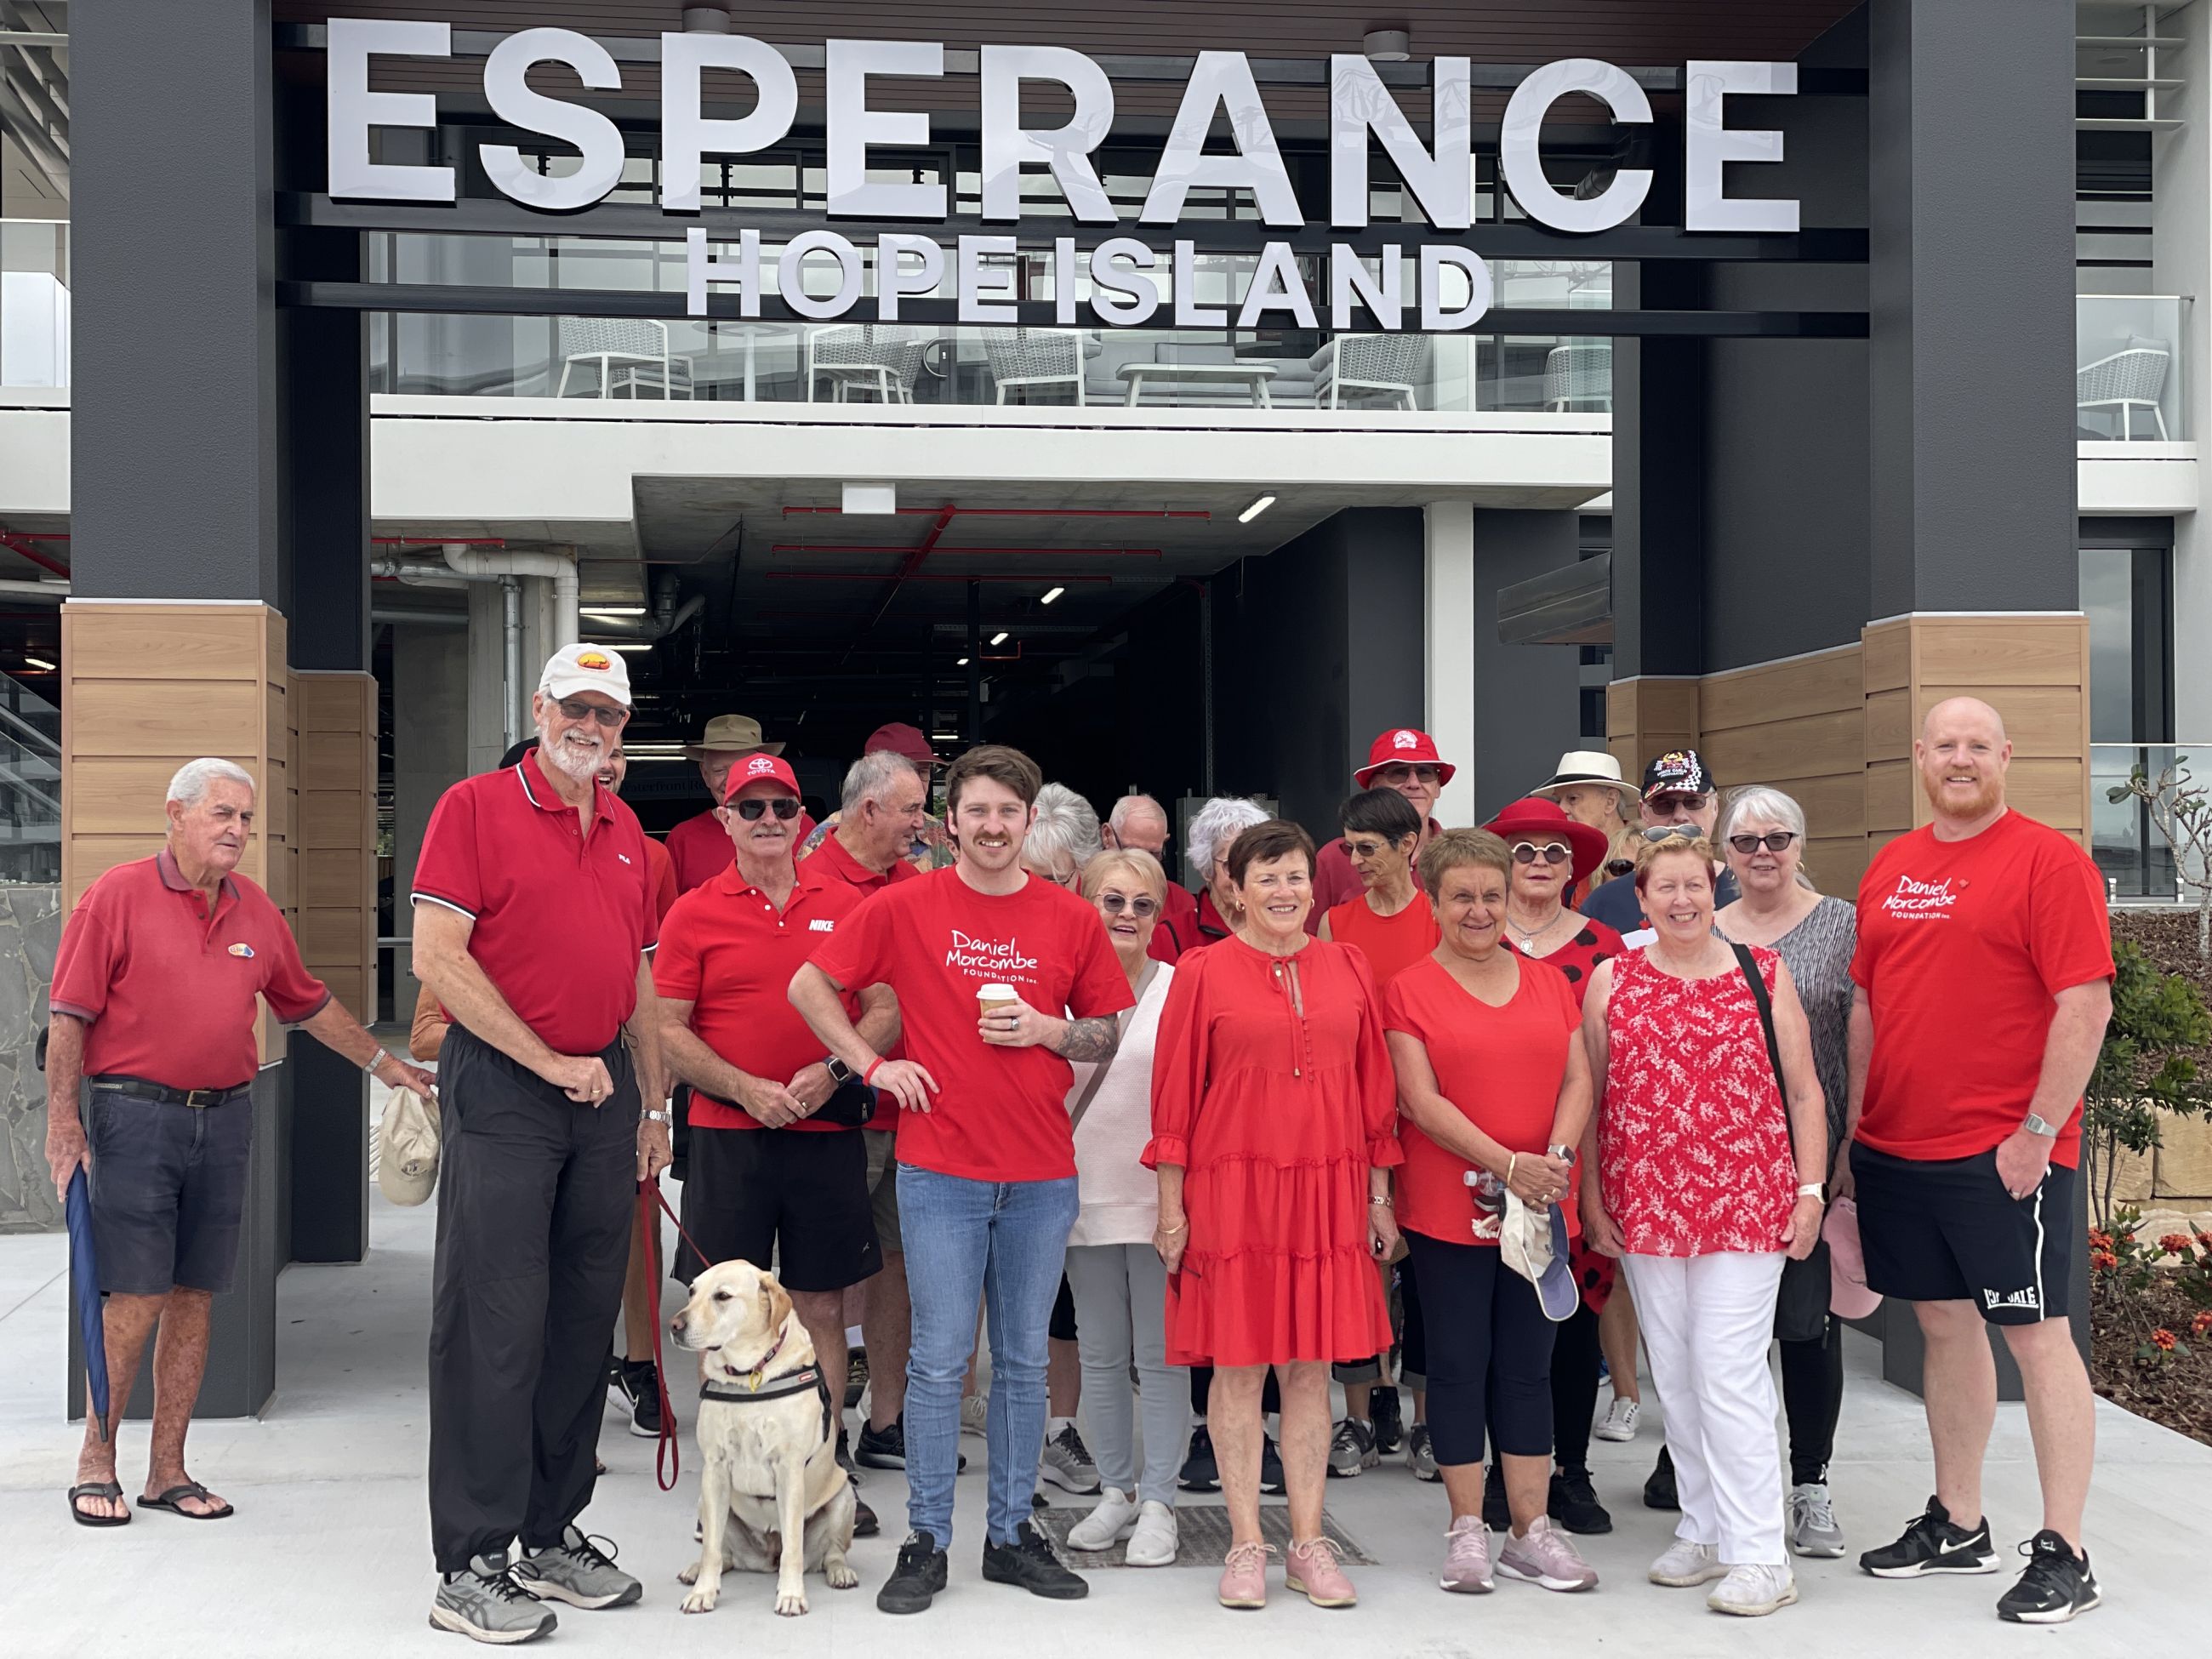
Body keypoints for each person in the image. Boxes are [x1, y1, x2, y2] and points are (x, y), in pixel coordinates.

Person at [47, 758, 435, 1528]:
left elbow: (307, 1003)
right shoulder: (117, 896)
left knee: (195, 1295)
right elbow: (69, 1016)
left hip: (225, 1117)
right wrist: (64, 1123)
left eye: (246, 818)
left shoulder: (253, 909)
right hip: (133, 1116)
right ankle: (98, 1455)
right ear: (176, 814)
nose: (238, 831)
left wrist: (386, 1064)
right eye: (223, 814)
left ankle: (168, 1470)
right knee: (137, 1293)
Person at [791, 744, 1133, 1614]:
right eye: (975, 811)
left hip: (1038, 1174)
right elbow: (809, 985)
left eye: (1006, 813)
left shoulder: (1069, 917)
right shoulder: (906, 905)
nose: (990, 827)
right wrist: (870, 1064)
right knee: (941, 1364)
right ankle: (928, 1538)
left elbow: (1106, 1031)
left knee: (1020, 1364)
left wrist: (1049, 1032)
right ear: (950, 821)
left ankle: (1013, 1532)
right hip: (938, 1170)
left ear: (1028, 822)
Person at [410, 644, 669, 1643]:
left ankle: (551, 1531)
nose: (590, 728)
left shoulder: (623, 827)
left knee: (578, 1321)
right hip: (511, 1088)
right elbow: (439, 957)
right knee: (493, 1323)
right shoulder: (472, 808)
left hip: (603, 1093)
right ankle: (469, 1561)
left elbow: (637, 979)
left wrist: (651, 1104)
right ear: (539, 706)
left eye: (608, 715)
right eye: (576, 708)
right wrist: (548, 1059)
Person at [1844, 697, 2113, 1625]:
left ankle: (2066, 1550)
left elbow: (2084, 1006)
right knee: (1943, 1328)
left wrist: (2037, 1130)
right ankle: (1957, 1522)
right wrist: (1853, 1129)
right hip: (1893, 1146)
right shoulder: (1892, 863)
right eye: (1942, 746)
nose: (1958, 760)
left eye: (1975, 746)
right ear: (1919, 757)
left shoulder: (2048, 861)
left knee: (2037, 1341)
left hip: (2003, 1151)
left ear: (2004, 755)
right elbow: (1868, 1008)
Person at [1147, 820, 1401, 1611]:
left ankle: (1308, 1542)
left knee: (1311, 1369)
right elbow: (1175, 1097)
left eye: (1296, 876)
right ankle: (1247, 1543)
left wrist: (1379, 1197)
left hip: (1328, 1190)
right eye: (1267, 878)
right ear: (1236, 889)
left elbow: (1373, 1090)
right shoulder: (1200, 971)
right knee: (1237, 1367)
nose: (1285, 891)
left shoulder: (1349, 964)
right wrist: (1170, 1209)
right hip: (1232, 1193)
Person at [1581, 835, 1829, 1620]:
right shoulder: (1611, 979)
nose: (1681, 901)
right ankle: (1703, 1523)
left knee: (1728, 1369)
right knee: (1678, 1372)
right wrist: (1592, 1199)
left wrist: (1812, 1191)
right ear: (1643, 899)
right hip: (1647, 1204)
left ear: (1712, 889)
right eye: (1666, 890)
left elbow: (1804, 1093)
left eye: (1694, 886)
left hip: (1747, 1202)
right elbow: (1589, 1097)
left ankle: (1760, 1552)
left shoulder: (1763, 972)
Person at [653, 749, 893, 1538]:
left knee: (822, 1302)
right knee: (717, 1314)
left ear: (802, 820)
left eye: (781, 808)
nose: (766, 822)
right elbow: (664, 1027)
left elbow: (885, 1008)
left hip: (825, 1131)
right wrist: (741, 1087)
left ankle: (819, 1466)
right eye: (748, 807)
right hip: (728, 1135)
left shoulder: (849, 900)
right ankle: (726, 1479)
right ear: (723, 818)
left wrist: (833, 1070)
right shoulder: (692, 910)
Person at [1385, 829, 1599, 1596]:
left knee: (1528, 1369)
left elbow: (1579, 1078)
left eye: (1492, 896)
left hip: (1542, 1205)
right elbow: (1420, 1100)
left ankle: (1530, 1531)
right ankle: (1467, 1528)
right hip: (1450, 1212)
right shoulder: (1408, 989)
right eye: (1462, 897)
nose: (1479, 911)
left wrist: (1555, 1163)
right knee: (1456, 1365)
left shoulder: (1548, 982)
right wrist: (1508, 1165)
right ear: (1436, 903)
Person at [1713, 785, 1860, 1559]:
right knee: (1720, 1327)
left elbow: (1865, 1034)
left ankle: (1810, 1483)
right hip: (1721, 1161)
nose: (1762, 853)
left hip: (1811, 1154)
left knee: (1807, 1326)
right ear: (1725, 855)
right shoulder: (1700, 926)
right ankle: (1702, 1468)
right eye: (1745, 842)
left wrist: (1847, 1145)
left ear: (1802, 844)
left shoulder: (1841, 925)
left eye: (1778, 838)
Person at [1480, 795, 1626, 1536]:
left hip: (1579, 1162)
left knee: (1570, 1325)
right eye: (1525, 851)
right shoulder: (1472, 934)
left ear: (1575, 867)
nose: (1538, 864)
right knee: (1491, 1327)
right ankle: (1501, 1478)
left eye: (1554, 853)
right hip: (1480, 1168)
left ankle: (1570, 1471)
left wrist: (1590, 1185)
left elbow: (1610, 1075)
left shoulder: (1606, 947)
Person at [807, 749, 934, 1479]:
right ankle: (823, 1437)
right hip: (843, 1108)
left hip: (909, 1111)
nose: (923, 822)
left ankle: (888, 1421)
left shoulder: (911, 879)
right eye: (913, 808)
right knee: (823, 1277)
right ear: (869, 810)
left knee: (896, 1268)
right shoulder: (813, 881)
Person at [1061, 847, 1188, 1567]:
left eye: (1143, 904)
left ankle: (1162, 1502)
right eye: (1113, 901)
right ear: (1086, 902)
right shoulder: (1063, 988)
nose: (1128, 916)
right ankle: (1115, 1493)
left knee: (1164, 1356)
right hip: (1079, 1192)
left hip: (1159, 1196)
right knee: (1103, 1353)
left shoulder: (1182, 988)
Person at [1318, 787, 1438, 1478]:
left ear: (1409, 846)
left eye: (1369, 849)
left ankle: (1426, 1422)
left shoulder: (1439, 917)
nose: (1357, 861)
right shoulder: (1334, 924)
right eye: (1349, 848)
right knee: (1357, 1268)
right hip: (1358, 1118)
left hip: (1429, 1121)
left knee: (1425, 1274)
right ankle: (1358, 1418)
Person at [1006, 780, 1105, 1493]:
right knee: (1018, 1300)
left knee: (1073, 1304)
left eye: (1051, 876)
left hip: (1094, 1138)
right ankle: (1026, 1425)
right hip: (1016, 1132)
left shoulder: (1100, 923)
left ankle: (1061, 1430)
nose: (1036, 889)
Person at [1579, 750, 1738, 933]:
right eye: (1664, 805)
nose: (1680, 816)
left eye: (1693, 802)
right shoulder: (1604, 903)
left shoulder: (1747, 892)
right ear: (1643, 812)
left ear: (1715, 807)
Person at [1308, 728, 1452, 927]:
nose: (1413, 783)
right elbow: (1308, 939)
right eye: (1398, 773)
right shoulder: (1333, 858)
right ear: (1374, 786)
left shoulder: (1458, 858)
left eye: (1425, 773)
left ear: (1437, 787)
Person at [667, 714, 814, 892]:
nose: (731, 781)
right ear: (705, 774)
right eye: (720, 770)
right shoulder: (682, 839)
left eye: (743, 769)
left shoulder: (801, 827)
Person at [799, 721, 954, 873]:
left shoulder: (936, 831)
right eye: (909, 772)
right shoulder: (824, 838)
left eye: (923, 772)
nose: (918, 783)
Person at [1530, 749, 1641, 906]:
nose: (1562, 809)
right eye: (1558, 800)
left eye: (1573, 798)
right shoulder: (1560, 856)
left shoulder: (1643, 851)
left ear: (1610, 801)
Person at [1103, 793, 1200, 962]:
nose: (1142, 864)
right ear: (1107, 835)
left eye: (1153, 854)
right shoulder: (1080, 890)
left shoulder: (1181, 902)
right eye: (1133, 851)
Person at [1182, 795, 1270, 951]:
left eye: (1254, 865)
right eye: (1232, 865)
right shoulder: (1176, 933)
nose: (1244, 877)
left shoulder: (1278, 927)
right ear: (1207, 869)